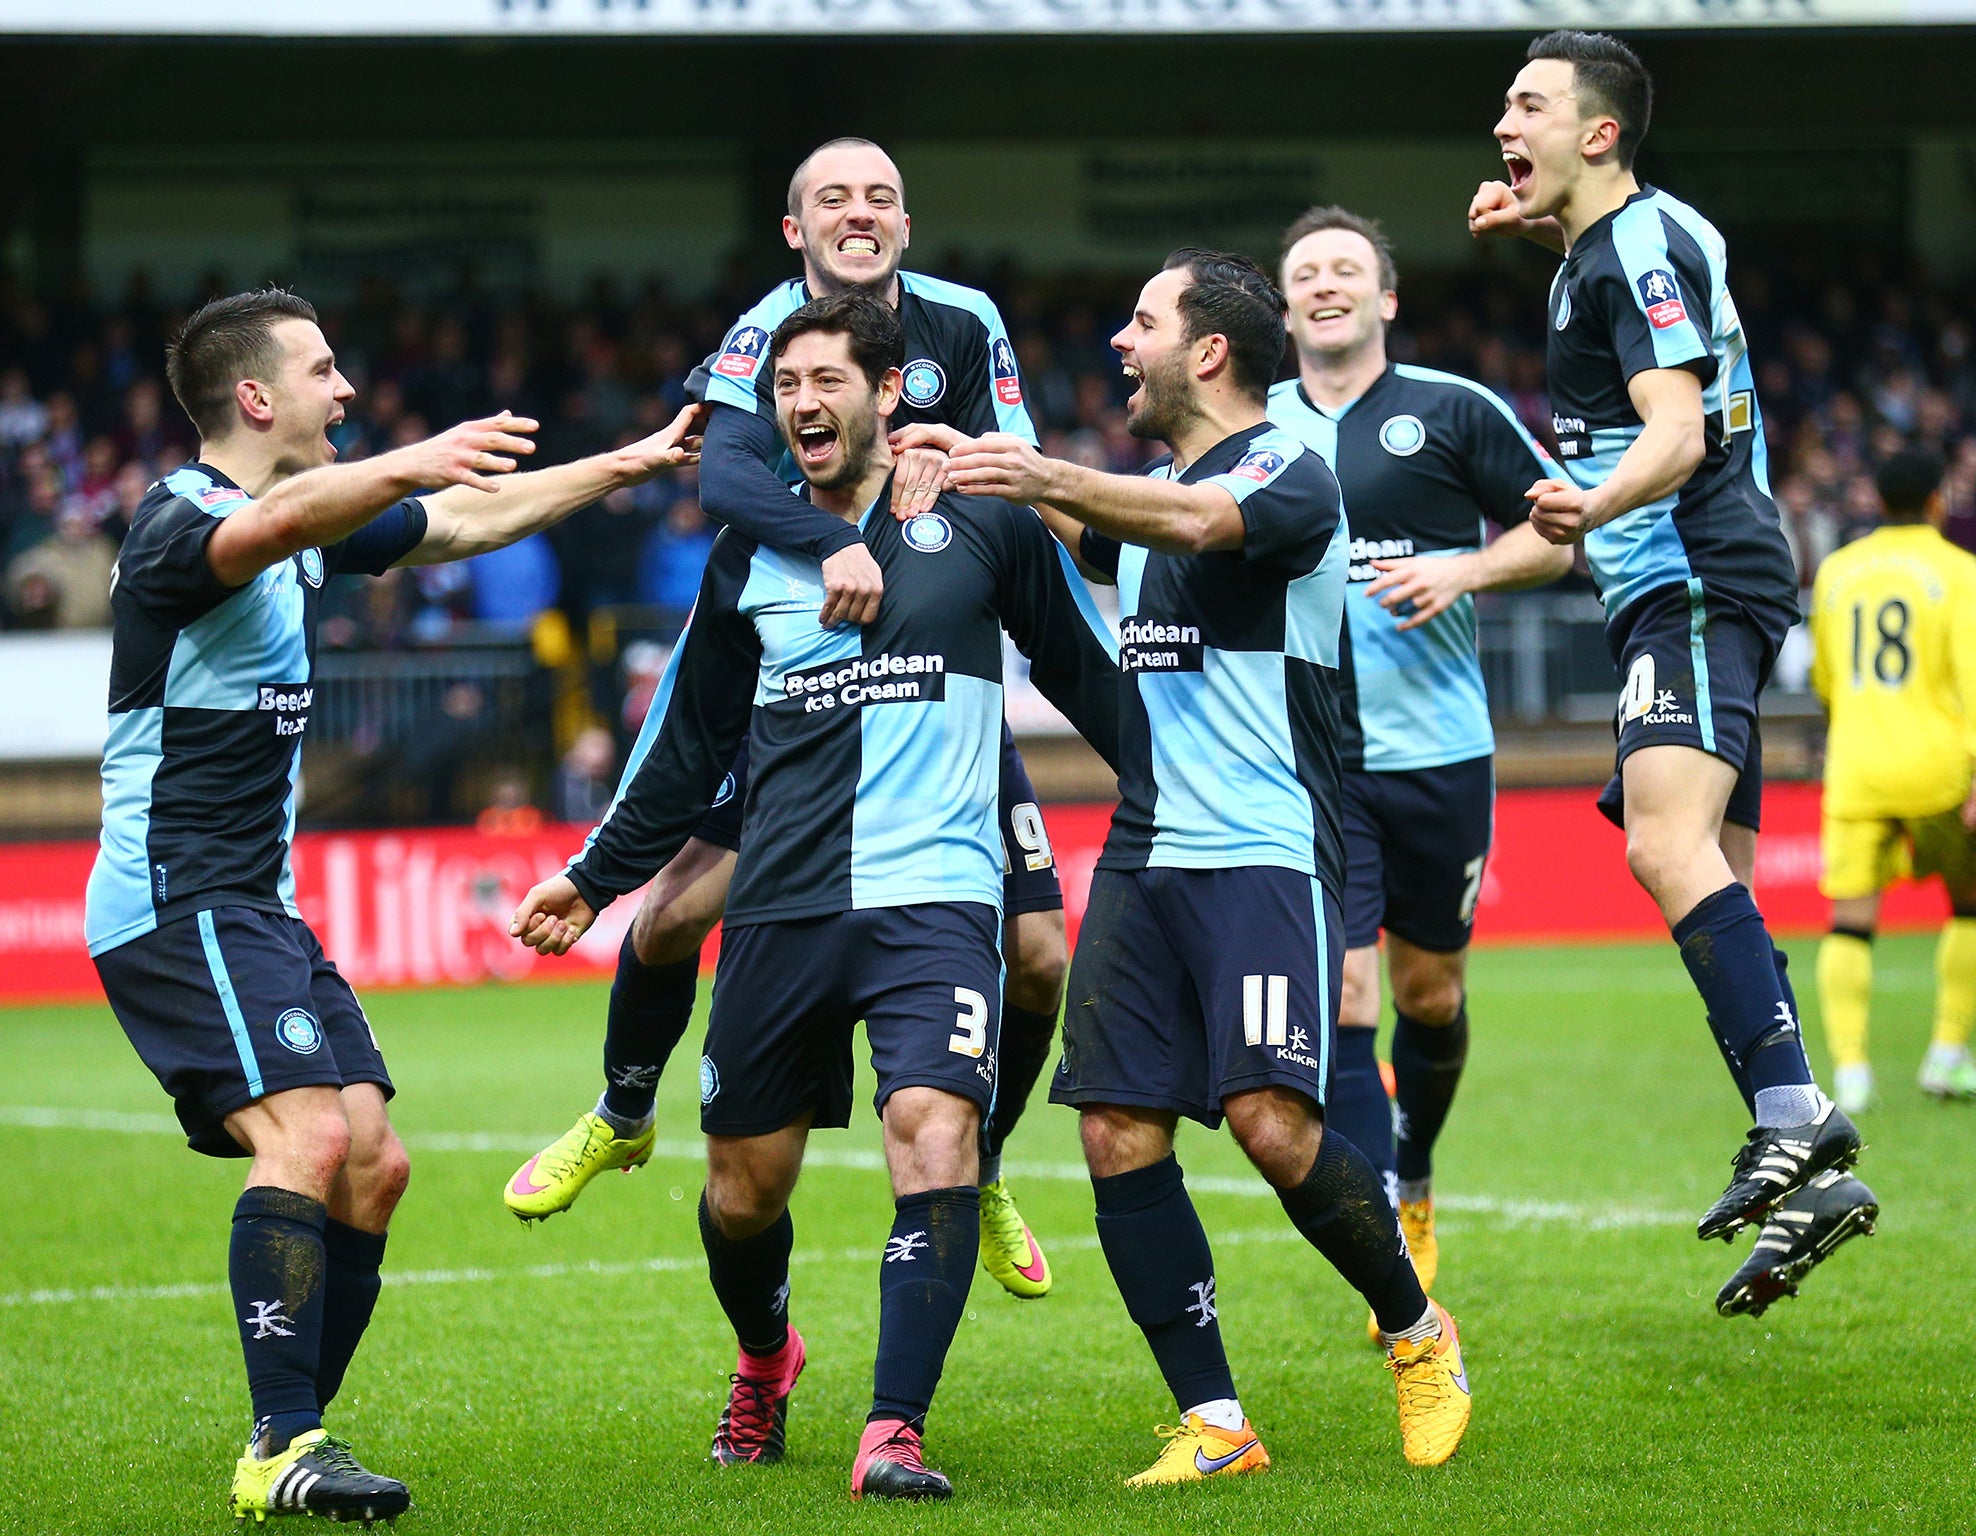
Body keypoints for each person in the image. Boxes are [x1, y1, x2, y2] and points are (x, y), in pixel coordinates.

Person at [83, 287, 702, 1522]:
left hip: (255, 904)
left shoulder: (301, 521)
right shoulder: (178, 522)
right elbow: (290, 518)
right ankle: (280, 1445)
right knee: (305, 1141)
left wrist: (627, 462)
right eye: (322, 372)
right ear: (255, 399)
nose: (346, 389)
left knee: (373, 1165)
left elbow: (466, 522)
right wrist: (403, 459)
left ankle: (296, 1438)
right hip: (175, 897)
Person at [506, 292, 1120, 1500]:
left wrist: (1183, 794)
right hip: (782, 903)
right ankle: (765, 1356)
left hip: (933, 898)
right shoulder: (752, 552)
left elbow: (1089, 678)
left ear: (889, 393)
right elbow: (685, 748)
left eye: (825, 382)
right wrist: (594, 879)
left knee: (932, 1135)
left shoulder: (984, 524)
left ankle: (894, 1430)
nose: (800, 405)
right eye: (784, 388)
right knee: (741, 1193)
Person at [907, 249, 1473, 1479]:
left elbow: (1204, 521)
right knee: (1114, 1129)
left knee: (1273, 1126)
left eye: (1141, 322)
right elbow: (1101, 526)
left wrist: (1044, 467)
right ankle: (1215, 1425)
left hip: (1265, 851)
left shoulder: (1282, 469)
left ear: (1206, 350)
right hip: (1144, 853)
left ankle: (1417, 1330)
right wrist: (965, 439)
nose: (1120, 341)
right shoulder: (1154, 492)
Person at [507, 137, 1069, 1303]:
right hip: (798, 688)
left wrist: (940, 464)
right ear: (795, 233)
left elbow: (1010, 466)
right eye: (831, 199)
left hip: (933, 702)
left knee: (1039, 953)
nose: (856, 214)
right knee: (664, 922)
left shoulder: (963, 322)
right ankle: (621, 1112)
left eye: (879, 198)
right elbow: (724, 482)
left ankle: (987, 1156)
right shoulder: (767, 330)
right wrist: (842, 540)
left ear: (904, 226)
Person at [1469, 29, 1871, 1316]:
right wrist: (1540, 234)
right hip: (1695, 579)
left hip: (1691, 576)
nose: (1500, 126)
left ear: (1598, 134)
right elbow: (1638, 310)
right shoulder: (1606, 250)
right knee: (1723, 883)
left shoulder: (1633, 245)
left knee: (1659, 841)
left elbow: (1677, 431)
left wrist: (1586, 504)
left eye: (1525, 107)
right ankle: (1813, 1175)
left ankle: (1794, 1116)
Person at [1269, 206, 1571, 1331]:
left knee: (1426, 992)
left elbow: (1559, 534)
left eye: (1348, 268)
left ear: (1384, 298)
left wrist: (1465, 572)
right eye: (1305, 273)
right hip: (1312, 760)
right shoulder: (1256, 427)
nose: (1326, 284)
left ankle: (1417, 1163)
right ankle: (1381, 1226)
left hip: (1438, 753)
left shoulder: (1452, 411)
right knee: (1346, 990)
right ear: (1285, 304)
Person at [1813, 449, 1976, 1111]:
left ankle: (1851, 1073)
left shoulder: (1835, 572)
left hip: (1857, 765)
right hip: (1938, 768)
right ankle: (1946, 1052)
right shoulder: (1960, 573)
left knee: (1850, 923)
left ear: (1876, 502)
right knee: (1967, 906)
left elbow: (1825, 680)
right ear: (1937, 499)